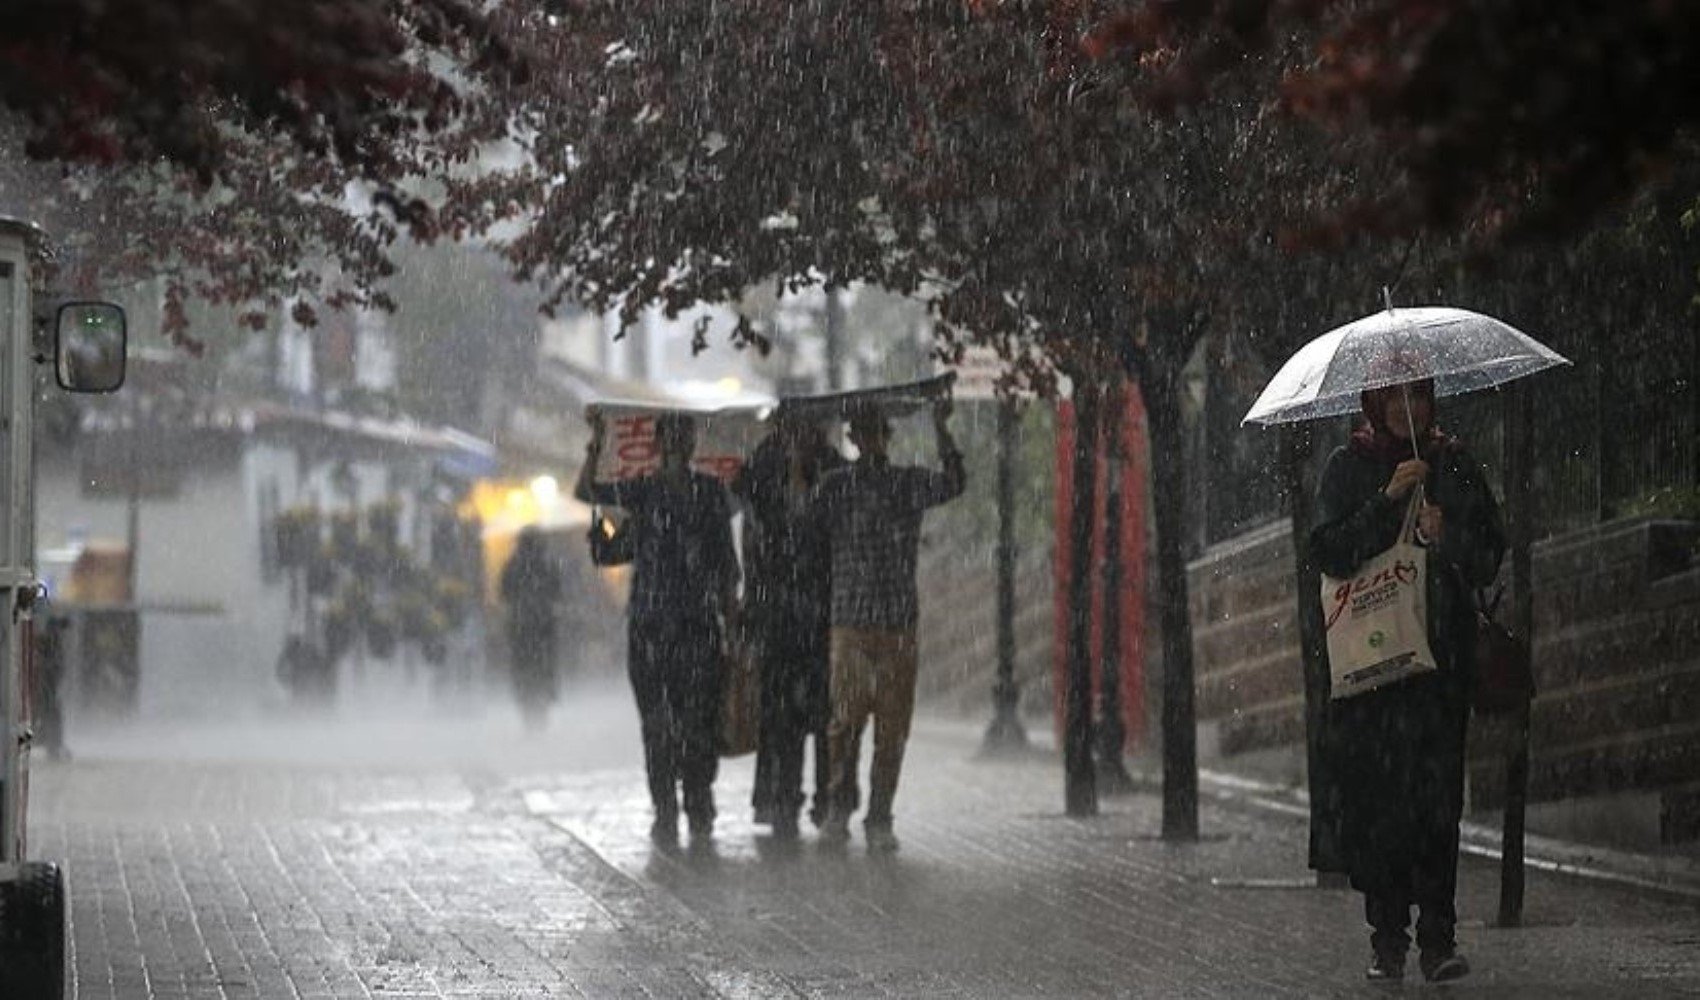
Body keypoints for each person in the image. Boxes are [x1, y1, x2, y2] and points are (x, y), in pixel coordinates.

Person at [1309, 378, 1504, 984]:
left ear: (1430, 400)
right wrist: (1385, 503)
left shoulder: (1452, 462)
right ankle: (1387, 937)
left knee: (1439, 804)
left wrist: (1450, 537)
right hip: (1373, 675)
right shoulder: (1349, 466)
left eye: (1415, 395)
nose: (1404, 408)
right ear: (1373, 404)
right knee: (1382, 807)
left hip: (1438, 669)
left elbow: (1490, 554)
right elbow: (1329, 551)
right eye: (1392, 397)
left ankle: (1438, 939)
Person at [577, 412, 740, 848]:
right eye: (670, 440)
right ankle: (666, 807)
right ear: (659, 445)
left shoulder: (708, 494)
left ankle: (698, 803)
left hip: (698, 627)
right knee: (658, 724)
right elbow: (588, 493)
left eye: (682, 439)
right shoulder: (643, 493)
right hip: (651, 628)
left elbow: (726, 564)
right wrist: (597, 443)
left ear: (690, 445)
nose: (677, 448)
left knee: (698, 722)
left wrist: (732, 618)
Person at [812, 396, 965, 852]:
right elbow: (801, 521)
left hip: (896, 622)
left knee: (892, 729)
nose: (869, 439)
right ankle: (840, 806)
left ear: (885, 436)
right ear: (854, 439)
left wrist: (942, 429)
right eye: (861, 432)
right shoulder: (835, 485)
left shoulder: (907, 483)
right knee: (845, 722)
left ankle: (880, 815)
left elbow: (954, 482)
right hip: (851, 622)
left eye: (875, 431)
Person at [733, 412, 848, 840]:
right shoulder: (763, 467)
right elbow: (752, 529)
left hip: (819, 611)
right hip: (779, 612)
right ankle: (783, 798)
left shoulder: (832, 467)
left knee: (822, 713)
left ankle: (826, 798)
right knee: (781, 714)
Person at [499, 527, 563, 731]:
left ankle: (528, 714)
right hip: (544, 626)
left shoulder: (512, 565)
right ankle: (541, 712)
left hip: (520, 626)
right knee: (543, 669)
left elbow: (504, 593)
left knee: (523, 670)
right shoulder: (548, 564)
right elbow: (558, 592)